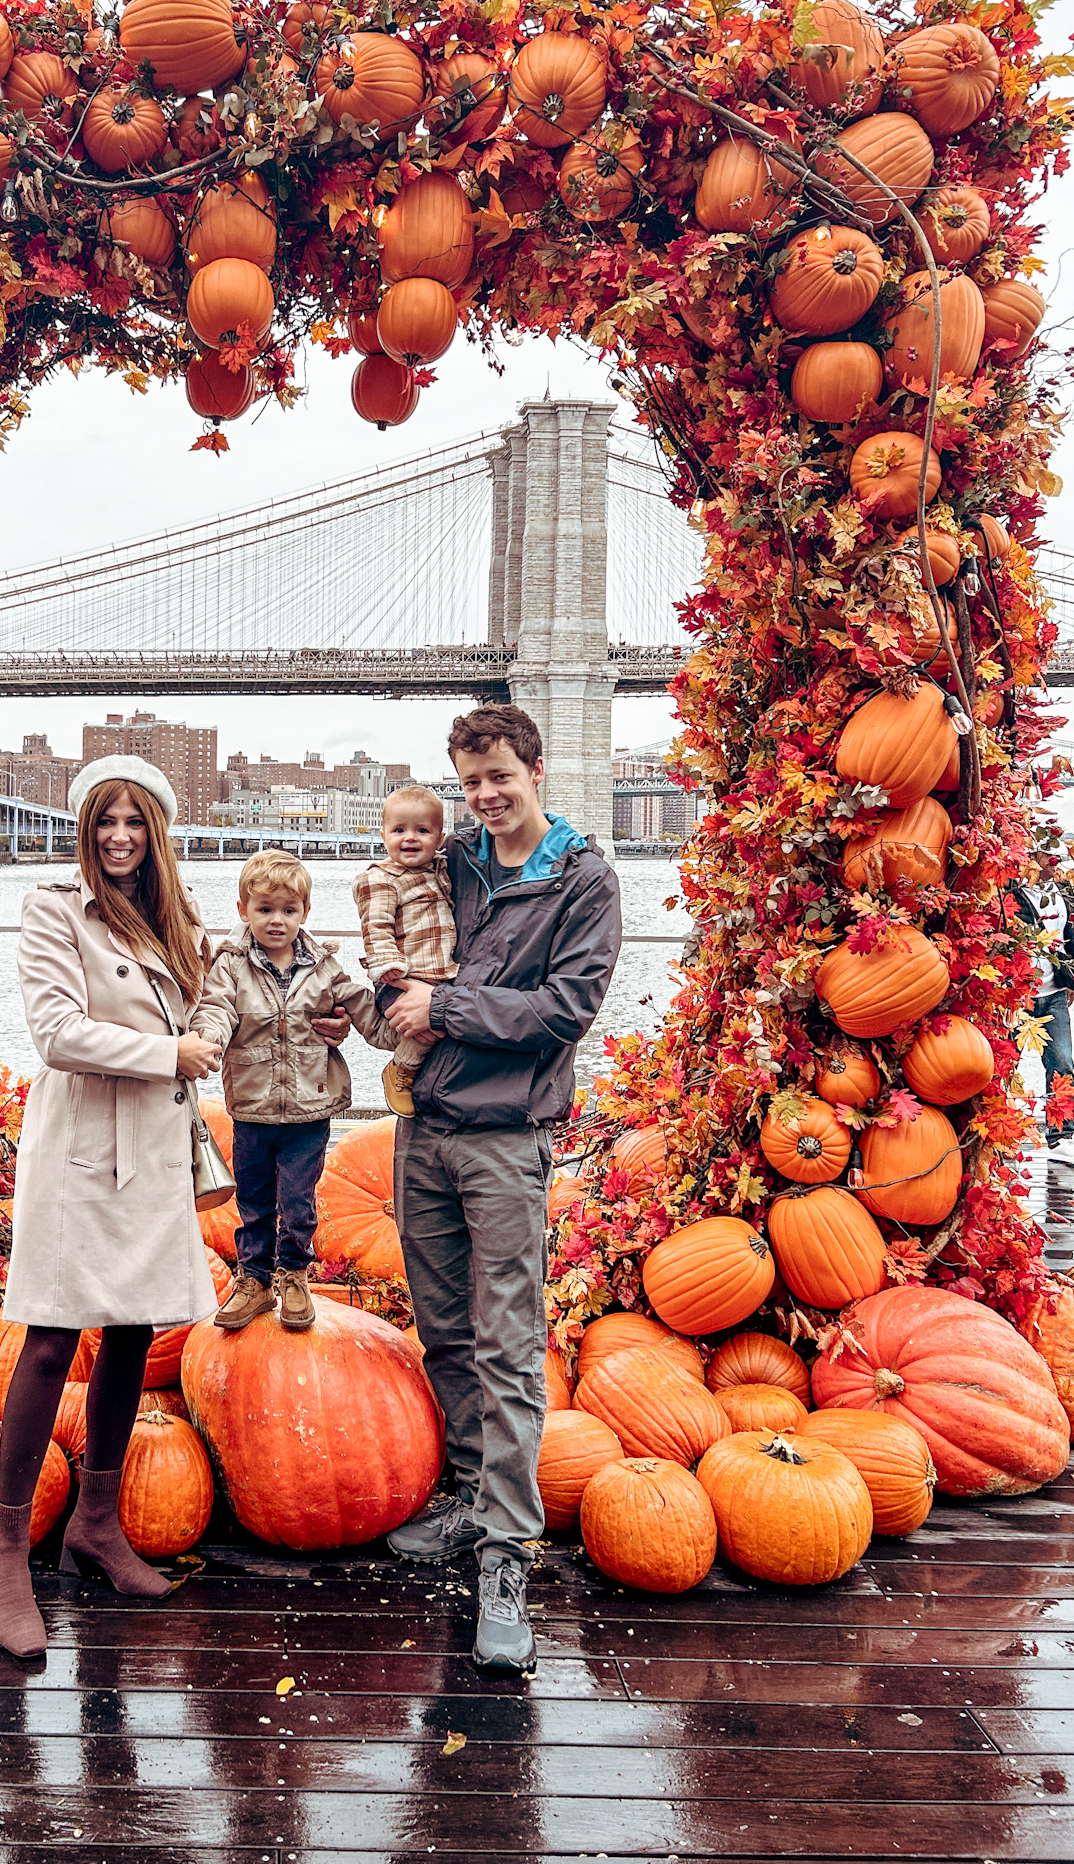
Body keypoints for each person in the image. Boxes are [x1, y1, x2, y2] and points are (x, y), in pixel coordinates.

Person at [380, 704, 621, 1673]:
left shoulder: (582, 879)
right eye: (470, 783)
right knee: (444, 1329)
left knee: (509, 1346)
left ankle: (506, 1556)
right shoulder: (456, 860)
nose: (485, 798)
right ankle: (474, 1502)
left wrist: (442, 1005)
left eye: (500, 780)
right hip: (421, 1127)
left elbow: (562, 1010)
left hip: (507, 1136)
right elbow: (401, 948)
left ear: (537, 768)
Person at [0, 755, 223, 1658]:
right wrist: (169, 1054)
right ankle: (8, 1555)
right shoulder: (56, 908)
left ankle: (96, 1522)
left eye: (134, 822)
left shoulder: (178, 919)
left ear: (155, 832)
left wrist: (307, 1020)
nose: (119, 836)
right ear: (85, 829)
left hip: (153, 1145)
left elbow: (216, 1017)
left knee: (131, 1332)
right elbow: (55, 1032)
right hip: (84, 1145)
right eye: (104, 821)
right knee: (50, 1337)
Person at [193, 849, 399, 1333]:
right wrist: (207, 1042)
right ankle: (255, 1279)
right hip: (251, 1108)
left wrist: (399, 1038)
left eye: (288, 910)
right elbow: (216, 1009)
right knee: (255, 1201)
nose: (277, 921)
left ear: (304, 912)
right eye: (264, 910)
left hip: (310, 1108)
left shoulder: (324, 966)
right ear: (243, 910)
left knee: (299, 1200)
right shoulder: (230, 968)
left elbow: (364, 1009)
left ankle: (293, 1274)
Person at [352, 787, 458, 1118]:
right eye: (399, 830)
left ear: (439, 838)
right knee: (432, 1028)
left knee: (456, 1016)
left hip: (441, 974)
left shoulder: (439, 869)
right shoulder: (382, 879)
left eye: (422, 831)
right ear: (383, 835)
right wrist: (388, 967)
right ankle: (401, 1069)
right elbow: (376, 927)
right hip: (402, 977)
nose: (409, 838)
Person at [1014, 853, 1074, 1147]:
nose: (1055, 861)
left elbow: (1068, 936)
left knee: (1062, 1063)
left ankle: (1060, 1133)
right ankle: (1004, 1131)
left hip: (1054, 995)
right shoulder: (1012, 895)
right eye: (1047, 856)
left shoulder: (1062, 893)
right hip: (1018, 998)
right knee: (1006, 1064)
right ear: (1032, 859)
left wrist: (1070, 980)